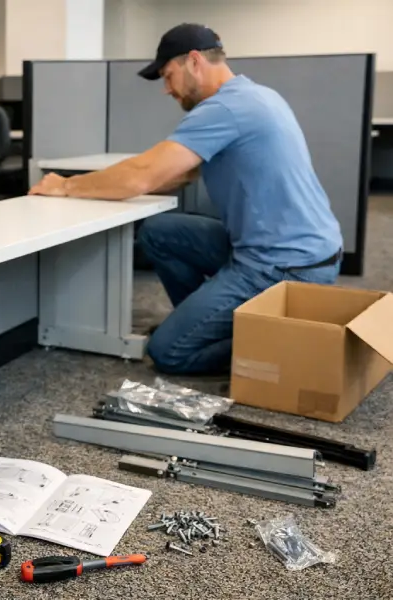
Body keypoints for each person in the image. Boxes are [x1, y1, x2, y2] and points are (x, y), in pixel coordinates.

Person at [29, 23, 342, 375]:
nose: (166, 89)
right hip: (302, 251)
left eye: (168, 75)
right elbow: (175, 175)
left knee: (168, 352)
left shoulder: (224, 109)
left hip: (281, 266)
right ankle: (204, 320)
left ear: (194, 62)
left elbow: (141, 175)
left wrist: (67, 187)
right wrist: (107, 186)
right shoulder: (257, 95)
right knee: (160, 231)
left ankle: (270, 341)